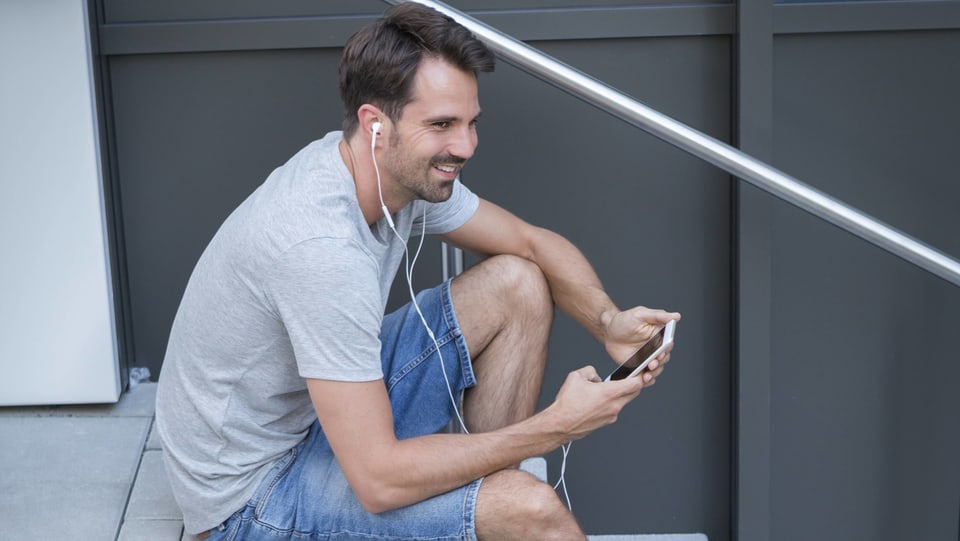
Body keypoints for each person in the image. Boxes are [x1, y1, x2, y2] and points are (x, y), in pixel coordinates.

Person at [155, 4, 680, 540]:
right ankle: (500, 509)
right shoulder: (320, 248)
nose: (466, 146)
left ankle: (482, 506)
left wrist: (607, 321)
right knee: (533, 512)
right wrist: (553, 428)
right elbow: (379, 481)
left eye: (471, 122)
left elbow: (532, 243)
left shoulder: (389, 172)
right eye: (441, 125)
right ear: (375, 124)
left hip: (315, 415)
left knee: (518, 283)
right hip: (251, 497)